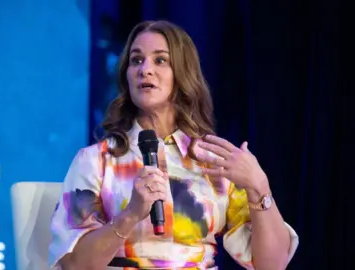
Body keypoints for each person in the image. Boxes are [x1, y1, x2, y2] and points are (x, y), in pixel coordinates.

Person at [48, 20, 299, 269]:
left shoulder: (213, 161)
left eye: (160, 60)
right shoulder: (97, 160)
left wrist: (259, 187)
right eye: (136, 60)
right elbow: (74, 264)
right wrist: (131, 214)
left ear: (182, 73)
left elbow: (272, 266)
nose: (144, 69)